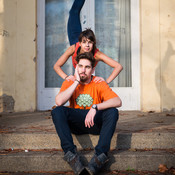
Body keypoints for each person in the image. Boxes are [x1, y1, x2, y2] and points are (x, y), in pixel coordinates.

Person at [51, 52, 122, 175]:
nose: (83, 70)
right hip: (77, 124)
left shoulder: (98, 82)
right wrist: (76, 82)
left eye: (87, 67)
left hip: (95, 123)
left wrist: (95, 107)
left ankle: (100, 156)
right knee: (57, 111)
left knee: (112, 111)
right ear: (76, 67)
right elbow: (59, 101)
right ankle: (71, 155)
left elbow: (117, 101)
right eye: (80, 66)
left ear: (93, 69)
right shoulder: (70, 81)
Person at [54, 0, 123, 84]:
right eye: (84, 42)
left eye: (90, 42)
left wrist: (106, 81)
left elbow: (118, 66)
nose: (87, 45)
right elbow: (57, 66)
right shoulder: (73, 48)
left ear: (93, 43)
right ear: (80, 43)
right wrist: (66, 77)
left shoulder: (97, 54)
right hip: (75, 38)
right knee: (74, 12)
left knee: (73, 12)